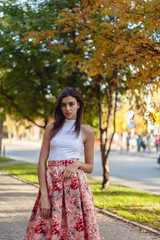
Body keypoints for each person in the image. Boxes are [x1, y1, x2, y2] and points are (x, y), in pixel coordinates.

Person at [24, 87, 101, 240]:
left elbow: (90, 167)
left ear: (78, 104)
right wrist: (44, 196)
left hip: (76, 189)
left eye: (71, 104)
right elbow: (41, 164)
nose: (67, 108)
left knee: (75, 230)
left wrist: (77, 164)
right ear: (60, 107)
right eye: (63, 105)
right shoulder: (51, 128)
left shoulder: (86, 131)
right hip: (53, 186)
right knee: (45, 228)